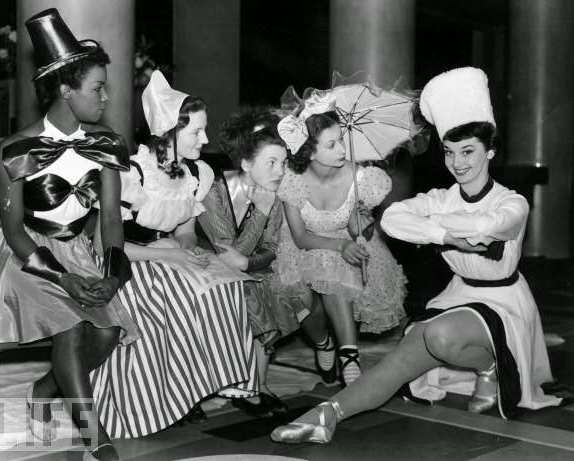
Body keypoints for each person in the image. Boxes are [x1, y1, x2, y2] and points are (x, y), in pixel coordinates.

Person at [270, 67, 561, 445]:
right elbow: (393, 218)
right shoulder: (441, 197)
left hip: (504, 302)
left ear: (490, 150)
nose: (458, 163)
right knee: (403, 356)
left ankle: (490, 366)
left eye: (469, 151)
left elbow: (493, 224)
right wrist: (444, 233)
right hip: (459, 296)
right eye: (450, 152)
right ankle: (327, 414)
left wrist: (437, 225)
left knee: (438, 337)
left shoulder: (512, 201)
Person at [0, 9, 137, 460]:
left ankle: (44, 389)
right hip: (28, 257)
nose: (106, 97)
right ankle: (96, 438)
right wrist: (63, 278)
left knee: (105, 335)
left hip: (79, 251)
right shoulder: (15, 150)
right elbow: (13, 233)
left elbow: (110, 220)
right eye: (97, 87)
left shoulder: (106, 144)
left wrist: (113, 274)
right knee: (70, 325)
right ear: (66, 91)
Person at [91, 70, 258, 436]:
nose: (205, 138)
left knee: (222, 286)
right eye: (196, 132)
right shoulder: (133, 172)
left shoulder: (195, 173)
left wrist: (186, 250)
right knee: (168, 301)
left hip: (167, 255)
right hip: (127, 262)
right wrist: (171, 257)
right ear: (168, 131)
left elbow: (185, 231)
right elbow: (109, 246)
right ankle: (153, 400)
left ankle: (190, 389)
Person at [197, 107, 334, 417]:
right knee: (252, 295)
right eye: (271, 163)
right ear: (245, 163)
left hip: (250, 268)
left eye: (282, 163)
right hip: (209, 270)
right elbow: (227, 251)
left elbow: (271, 246)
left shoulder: (273, 192)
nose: (279, 172)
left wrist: (249, 263)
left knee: (283, 290)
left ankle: (258, 383)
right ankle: (246, 385)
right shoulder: (214, 193)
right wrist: (259, 212)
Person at [272, 90, 406, 386]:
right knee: (300, 295)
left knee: (330, 266)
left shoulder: (362, 178)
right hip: (301, 246)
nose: (342, 149)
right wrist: (341, 244)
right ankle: (323, 343)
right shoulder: (293, 180)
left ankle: (349, 355)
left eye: (341, 140)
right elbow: (300, 237)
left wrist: (362, 226)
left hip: (341, 251)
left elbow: (363, 232)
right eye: (331, 144)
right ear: (308, 150)